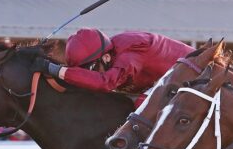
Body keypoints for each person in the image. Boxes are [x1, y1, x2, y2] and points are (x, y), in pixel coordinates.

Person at [30, 29, 194, 102]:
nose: (90, 75)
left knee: (141, 106)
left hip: (199, 77)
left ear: (106, 57)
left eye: (92, 69)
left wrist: (54, 69)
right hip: (170, 83)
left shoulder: (129, 55)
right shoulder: (109, 52)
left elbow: (105, 82)